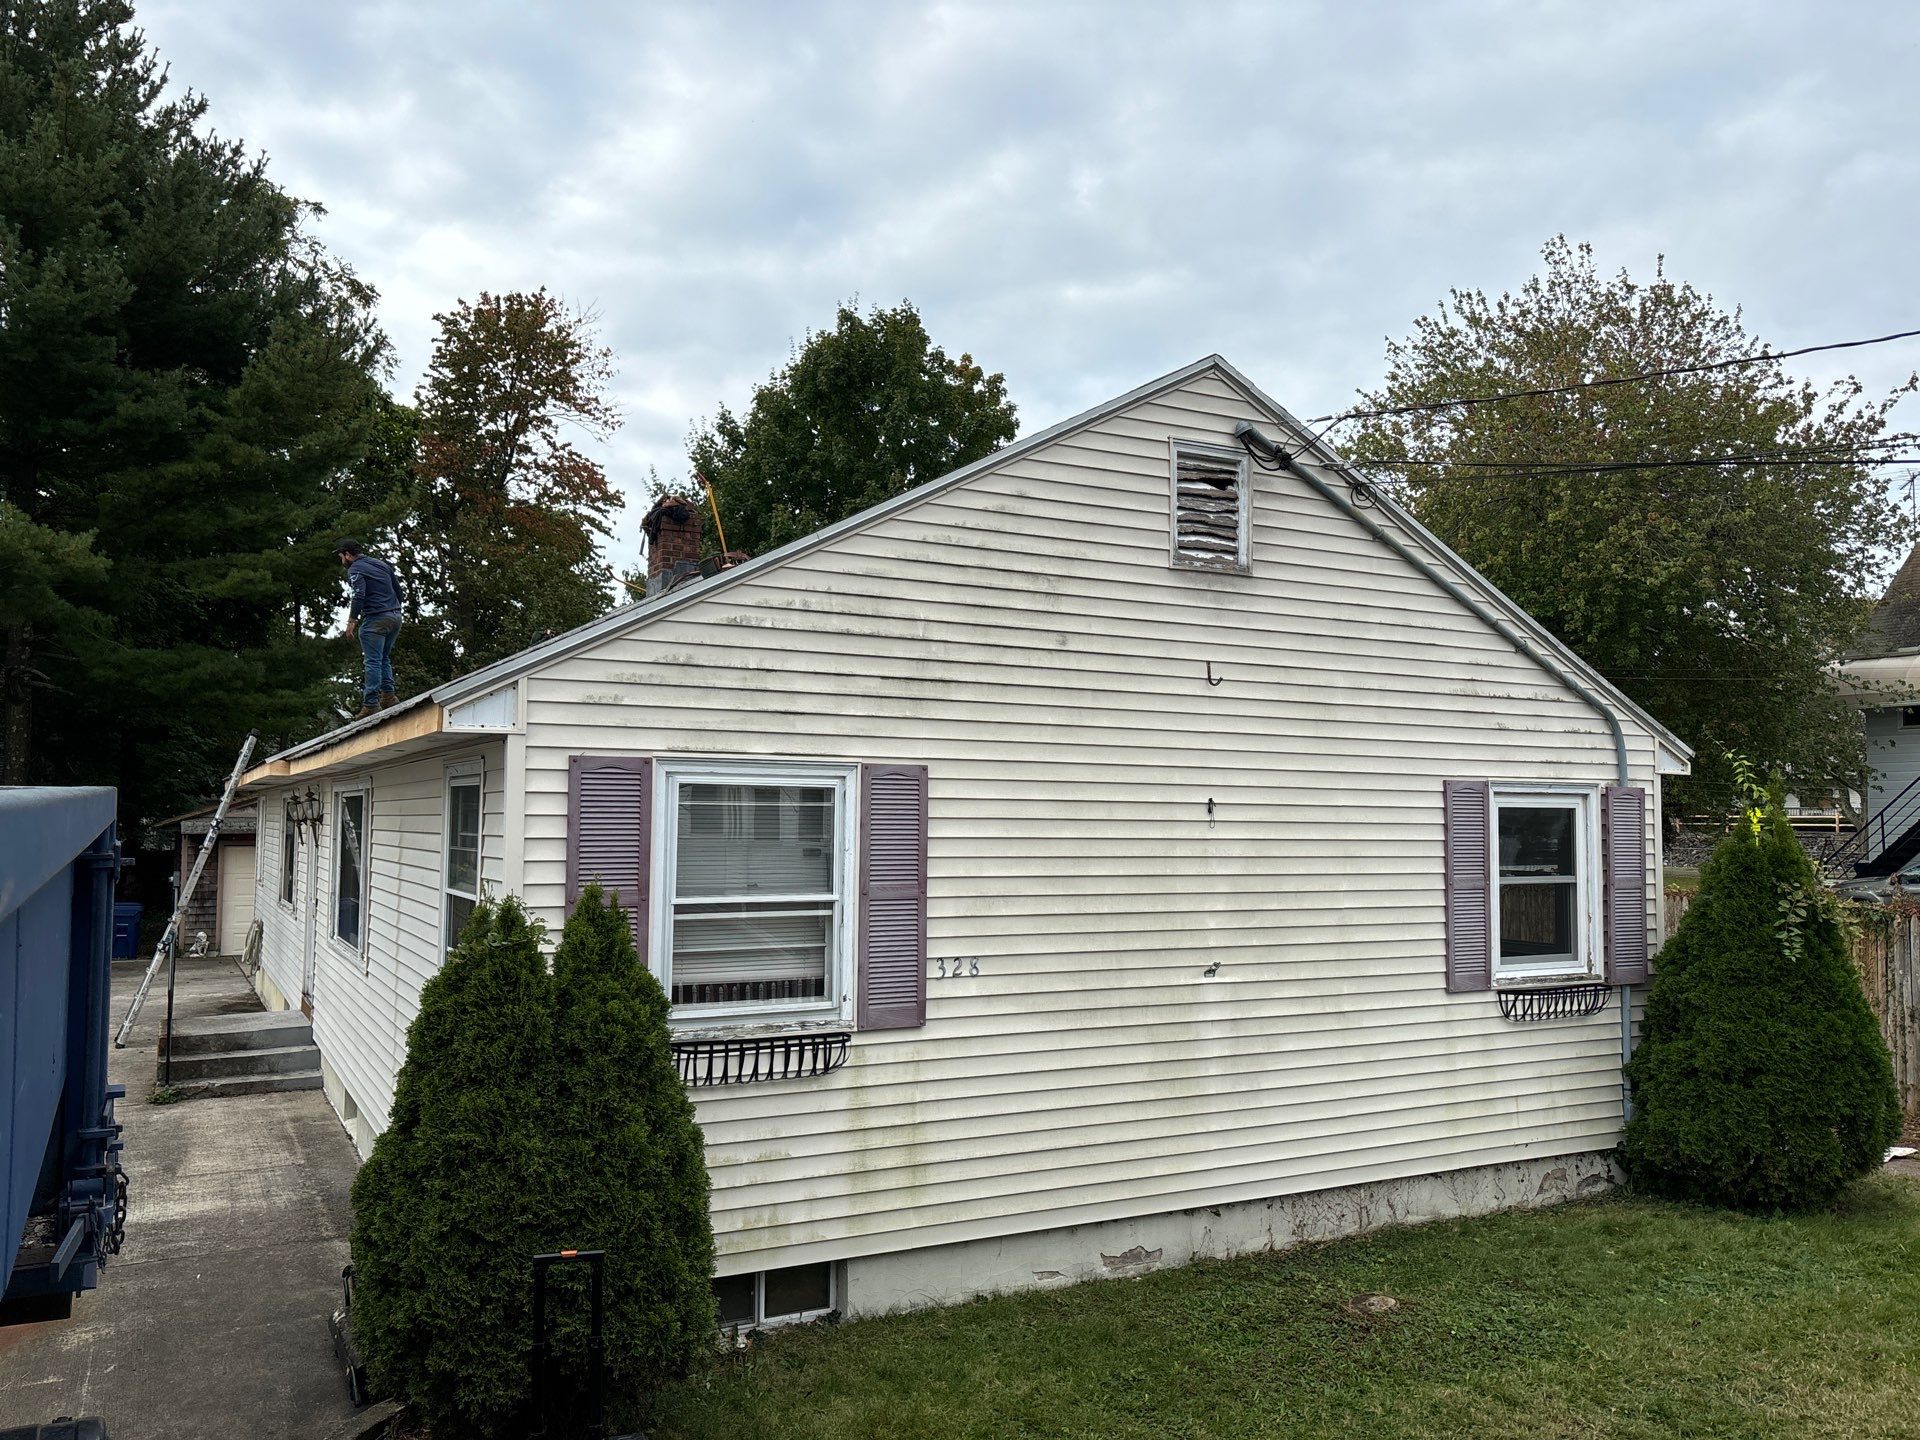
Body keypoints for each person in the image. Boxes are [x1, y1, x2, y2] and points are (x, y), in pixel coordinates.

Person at [335, 540, 405, 720]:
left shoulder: (355, 569)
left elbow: (359, 594)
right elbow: (399, 591)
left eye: (341, 556)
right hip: (395, 616)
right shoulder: (381, 564)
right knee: (383, 658)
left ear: (347, 555)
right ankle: (389, 697)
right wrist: (393, 611)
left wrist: (352, 621)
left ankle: (371, 704)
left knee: (372, 660)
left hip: (376, 619)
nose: (341, 560)